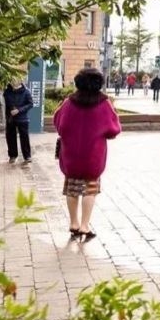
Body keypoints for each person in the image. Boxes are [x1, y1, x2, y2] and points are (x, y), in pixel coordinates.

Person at [53, 68, 121, 242]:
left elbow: (58, 123)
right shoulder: (104, 104)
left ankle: (73, 223)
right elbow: (113, 130)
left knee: (72, 188)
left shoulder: (69, 102)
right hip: (93, 157)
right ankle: (85, 226)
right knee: (90, 190)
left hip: (71, 156)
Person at [3, 79, 34, 163]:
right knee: (10, 137)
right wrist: (8, 113)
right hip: (10, 118)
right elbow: (4, 104)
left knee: (24, 137)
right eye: (12, 81)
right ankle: (12, 156)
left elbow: (30, 104)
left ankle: (27, 156)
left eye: (15, 82)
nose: (13, 83)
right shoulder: (7, 92)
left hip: (22, 118)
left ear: (20, 82)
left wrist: (19, 110)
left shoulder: (26, 92)